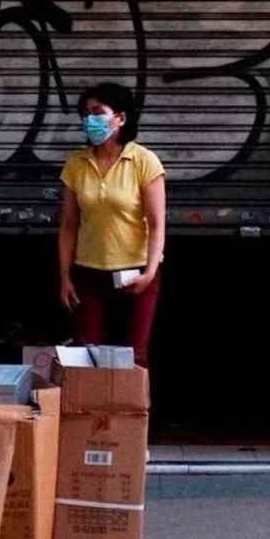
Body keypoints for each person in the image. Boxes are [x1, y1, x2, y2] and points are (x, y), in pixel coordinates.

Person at [58, 82, 167, 368]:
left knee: (135, 358)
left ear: (120, 118)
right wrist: (65, 277)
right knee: (86, 357)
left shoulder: (144, 161)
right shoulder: (76, 164)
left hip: (136, 273)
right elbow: (69, 225)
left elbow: (157, 225)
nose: (89, 120)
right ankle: (90, 415)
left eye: (97, 112)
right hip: (89, 273)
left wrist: (150, 272)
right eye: (85, 114)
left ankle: (130, 414)